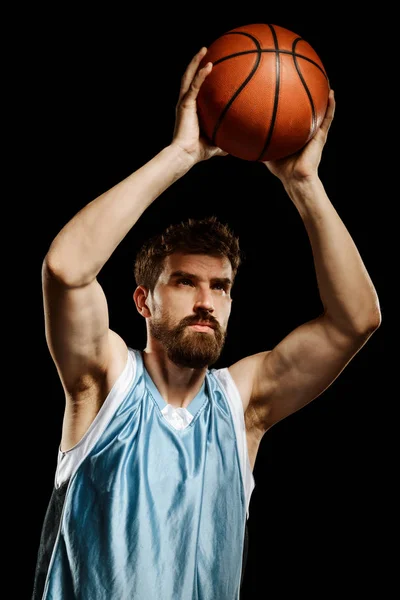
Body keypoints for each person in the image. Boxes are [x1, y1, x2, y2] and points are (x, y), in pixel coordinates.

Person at [32, 47, 381, 600]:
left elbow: (356, 320)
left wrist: (304, 185)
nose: (206, 300)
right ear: (144, 301)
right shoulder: (103, 380)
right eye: (184, 282)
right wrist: (182, 154)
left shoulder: (243, 406)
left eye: (220, 287)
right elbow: (65, 269)